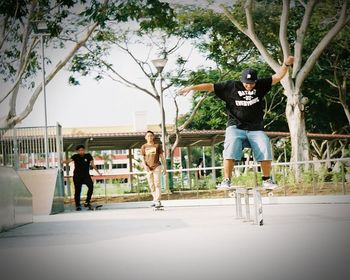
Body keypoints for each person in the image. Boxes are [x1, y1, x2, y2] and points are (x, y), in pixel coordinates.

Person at [178, 56, 294, 190]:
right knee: (230, 147)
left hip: (256, 128)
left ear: (256, 81)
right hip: (235, 127)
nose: (249, 86)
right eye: (246, 84)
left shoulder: (261, 85)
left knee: (265, 145)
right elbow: (210, 86)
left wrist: (286, 64)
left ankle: (266, 180)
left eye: (251, 84)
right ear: (241, 80)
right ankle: (226, 180)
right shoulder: (230, 86)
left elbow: (278, 77)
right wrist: (191, 88)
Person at [63, 145, 102, 211]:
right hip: (77, 176)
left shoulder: (88, 156)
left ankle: (87, 202)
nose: (81, 151)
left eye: (82, 150)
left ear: (84, 150)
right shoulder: (75, 156)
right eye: (80, 150)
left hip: (86, 176)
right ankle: (78, 205)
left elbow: (93, 165)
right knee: (78, 191)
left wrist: (98, 172)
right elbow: (68, 161)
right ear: (77, 151)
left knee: (91, 186)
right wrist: (62, 161)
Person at [141, 131, 167, 208]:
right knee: (151, 185)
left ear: (153, 137)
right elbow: (142, 158)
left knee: (157, 183)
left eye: (151, 136)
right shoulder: (144, 146)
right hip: (148, 168)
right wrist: (145, 166)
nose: (150, 137)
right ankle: (155, 199)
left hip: (156, 166)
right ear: (145, 137)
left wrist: (165, 167)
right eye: (148, 136)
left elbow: (162, 157)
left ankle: (157, 200)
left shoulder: (157, 145)